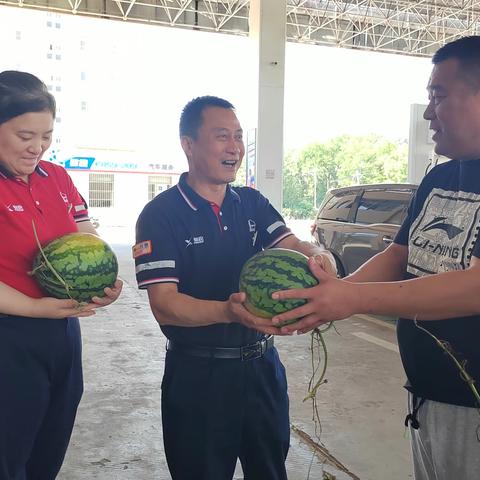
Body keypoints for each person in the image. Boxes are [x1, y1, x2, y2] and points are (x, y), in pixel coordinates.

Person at [271, 36, 480, 479]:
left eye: (438, 97)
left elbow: (476, 287)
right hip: (428, 395)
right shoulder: (439, 177)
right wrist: (335, 295)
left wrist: (353, 300)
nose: (428, 113)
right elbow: (399, 254)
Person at [134, 95, 336, 480]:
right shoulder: (161, 216)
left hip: (262, 369)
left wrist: (319, 254)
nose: (234, 147)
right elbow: (165, 304)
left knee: (270, 470)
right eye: (221, 136)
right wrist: (226, 311)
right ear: (189, 144)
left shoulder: (251, 203)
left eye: (239, 136)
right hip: (199, 375)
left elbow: (293, 246)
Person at [0, 70, 123, 480]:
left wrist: (103, 284)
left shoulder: (58, 178)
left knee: (48, 448)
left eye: (46, 136)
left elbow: (86, 238)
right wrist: (34, 307)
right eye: (24, 136)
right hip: (9, 335)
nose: (37, 147)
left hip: (62, 333)